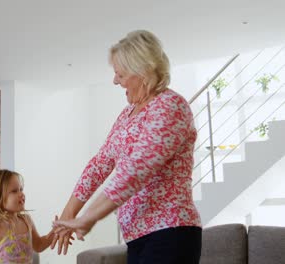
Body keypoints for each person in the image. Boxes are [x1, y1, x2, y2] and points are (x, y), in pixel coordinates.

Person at [52, 30, 203, 263]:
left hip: (170, 231)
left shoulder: (170, 106)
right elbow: (100, 163)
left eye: (119, 74)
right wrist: (69, 212)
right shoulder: (127, 115)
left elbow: (136, 169)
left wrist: (90, 217)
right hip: (137, 236)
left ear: (142, 72)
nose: (115, 81)